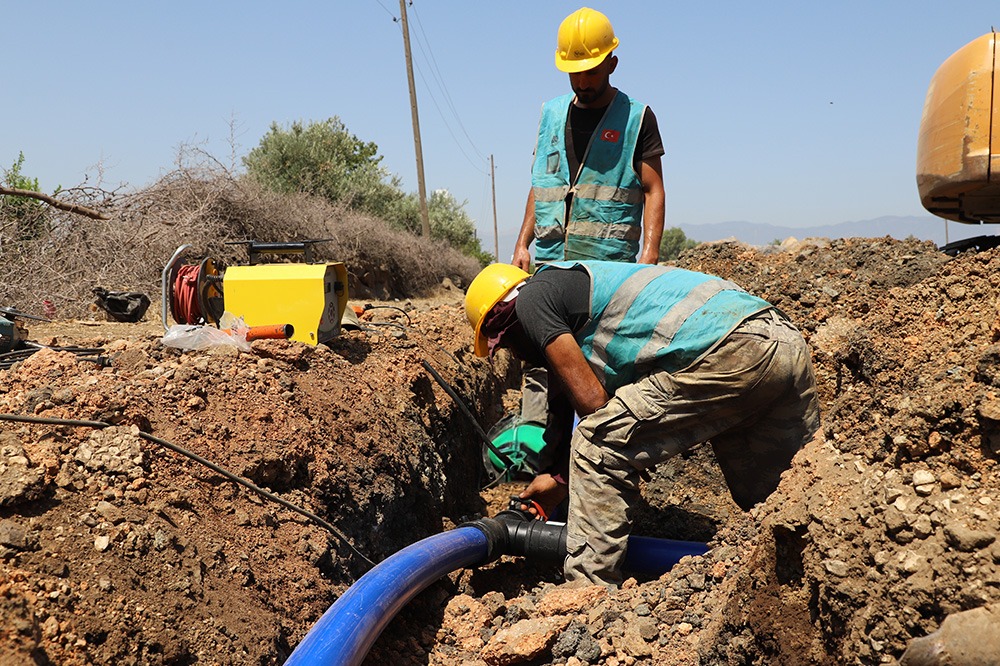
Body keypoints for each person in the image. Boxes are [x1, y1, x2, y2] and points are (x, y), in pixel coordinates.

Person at [464, 261, 821, 587]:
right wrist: (558, 480)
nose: (516, 354)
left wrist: (610, 457)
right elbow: (562, 401)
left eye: (507, 344)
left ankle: (585, 590)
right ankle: (807, 572)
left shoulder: (532, 301)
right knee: (780, 496)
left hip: (729, 351)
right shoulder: (571, 289)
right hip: (780, 341)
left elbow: (591, 404)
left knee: (595, 442)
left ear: (504, 319)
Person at [510, 6, 666, 435]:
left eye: (591, 71)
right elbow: (542, 185)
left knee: (600, 374)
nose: (583, 82)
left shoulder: (637, 118)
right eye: (575, 73)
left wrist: (648, 257)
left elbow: (653, 189)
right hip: (549, 267)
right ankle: (552, 475)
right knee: (551, 374)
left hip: (605, 274)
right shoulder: (550, 115)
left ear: (611, 63)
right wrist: (522, 244)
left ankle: (599, 465)